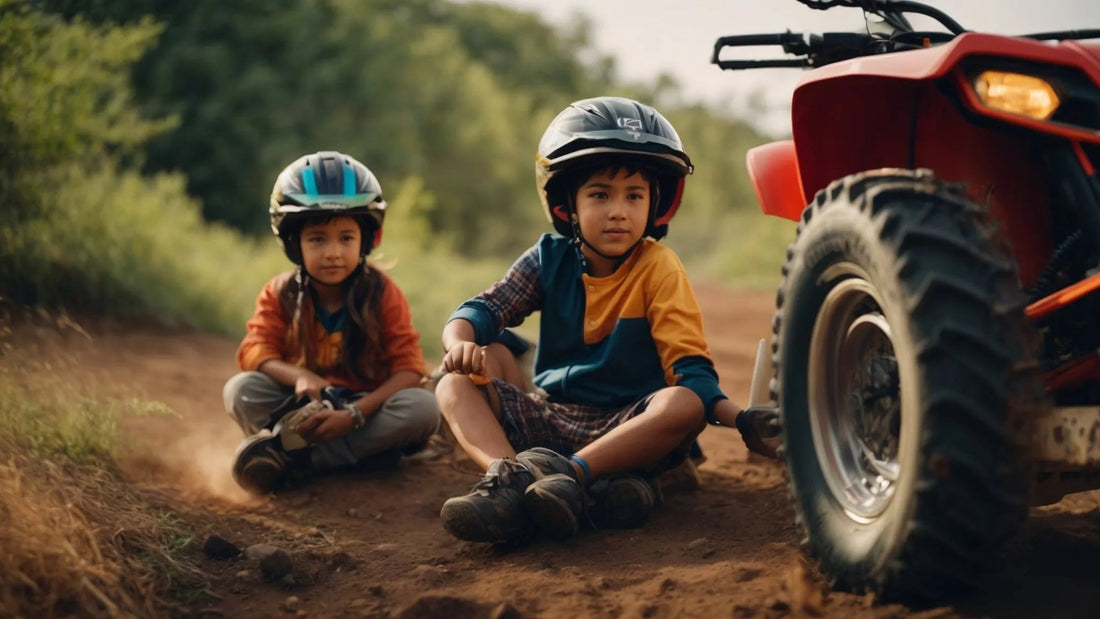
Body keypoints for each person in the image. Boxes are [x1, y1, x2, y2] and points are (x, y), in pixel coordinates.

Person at [434, 96, 778, 544]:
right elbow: (486, 309)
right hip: (553, 417)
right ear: (567, 206)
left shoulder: (660, 267)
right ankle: (514, 482)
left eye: (634, 196)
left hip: (628, 426)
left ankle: (571, 478)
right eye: (600, 195)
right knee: (451, 383)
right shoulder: (548, 258)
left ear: (655, 204)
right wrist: (458, 340)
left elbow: (692, 376)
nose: (619, 210)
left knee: (683, 404)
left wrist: (743, 420)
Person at [225, 151, 441, 495]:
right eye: (317, 239)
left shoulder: (384, 293)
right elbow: (254, 350)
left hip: (364, 410)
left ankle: (298, 460)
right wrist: (300, 377)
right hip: (307, 409)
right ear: (293, 243)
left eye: (346, 238)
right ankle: (359, 457)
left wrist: (353, 415)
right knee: (240, 389)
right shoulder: (279, 293)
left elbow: (410, 371)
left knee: (424, 408)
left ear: (367, 240)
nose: (333, 252)